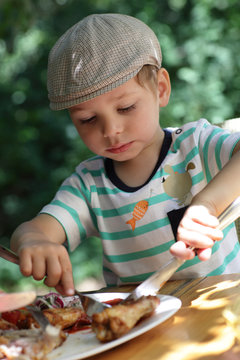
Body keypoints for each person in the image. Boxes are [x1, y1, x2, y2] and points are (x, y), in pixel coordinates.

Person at [10, 13, 240, 296]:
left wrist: (207, 204)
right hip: (139, 324)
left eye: (126, 107)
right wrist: (32, 240)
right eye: (88, 119)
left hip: (221, 309)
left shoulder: (196, 145)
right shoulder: (89, 185)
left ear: (161, 89)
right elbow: (34, 230)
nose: (111, 130)